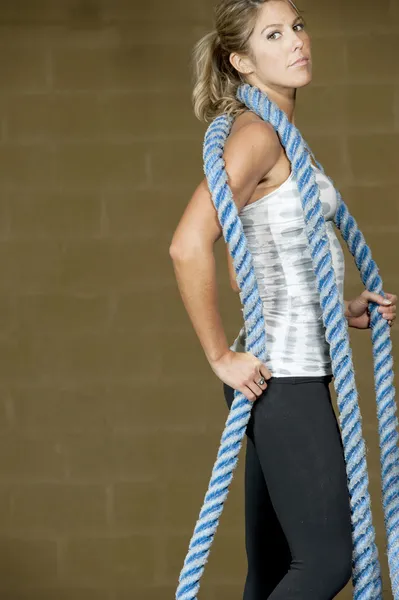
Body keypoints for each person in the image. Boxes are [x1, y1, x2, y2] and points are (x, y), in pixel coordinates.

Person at [169, 0, 397, 598]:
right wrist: (220, 355)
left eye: (297, 25)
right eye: (274, 34)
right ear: (242, 60)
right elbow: (187, 245)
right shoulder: (258, 136)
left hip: (293, 365)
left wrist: (338, 310)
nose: (296, 40)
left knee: (271, 572)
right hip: (284, 376)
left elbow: (266, 264)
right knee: (326, 562)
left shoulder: (283, 136)